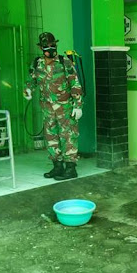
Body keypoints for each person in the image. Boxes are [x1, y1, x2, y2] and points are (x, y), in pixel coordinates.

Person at [24, 32, 83, 181]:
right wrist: (28, 90)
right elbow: (31, 80)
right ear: (41, 48)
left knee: (68, 136)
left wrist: (78, 105)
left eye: (53, 45)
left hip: (65, 108)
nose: (50, 48)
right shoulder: (37, 63)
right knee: (51, 137)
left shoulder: (64, 62)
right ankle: (57, 166)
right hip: (47, 108)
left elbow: (75, 84)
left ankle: (71, 168)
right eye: (47, 46)